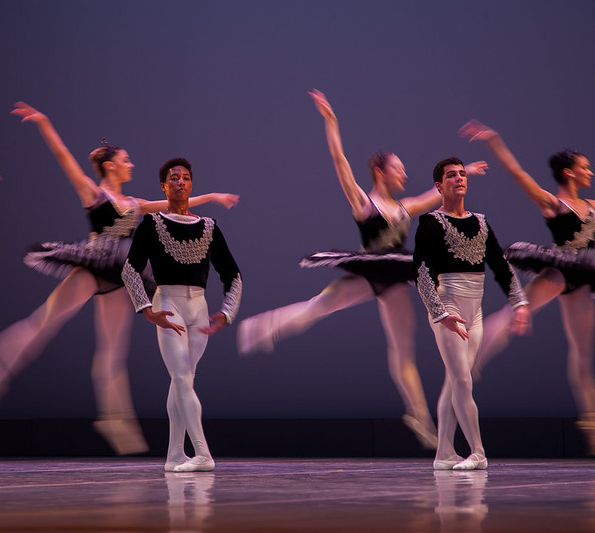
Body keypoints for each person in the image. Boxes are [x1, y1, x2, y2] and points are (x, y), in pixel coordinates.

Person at [0, 102, 239, 455]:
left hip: (119, 274)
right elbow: (63, 158)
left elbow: (173, 203)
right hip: (94, 264)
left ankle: (114, 417)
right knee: (45, 320)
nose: (131, 164)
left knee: (113, 348)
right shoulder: (93, 192)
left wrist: (212, 197)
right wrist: (44, 122)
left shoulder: (134, 203)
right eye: (126, 160)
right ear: (110, 165)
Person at [237, 90, 487, 448]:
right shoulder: (363, 202)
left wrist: (468, 173)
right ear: (380, 172)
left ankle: (418, 414)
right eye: (398, 168)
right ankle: (261, 328)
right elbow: (339, 160)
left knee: (403, 348)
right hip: (369, 273)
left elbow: (435, 196)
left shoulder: (405, 207)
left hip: (394, 279)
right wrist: (331, 121)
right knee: (318, 307)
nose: (404, 173)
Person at [459, 120, 595, 452]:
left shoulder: (594, 206)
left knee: (581, 352)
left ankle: (591, 420)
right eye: (585, 168)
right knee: (514, 313)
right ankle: (468, 365)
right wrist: (494, 140)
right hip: (560, 270)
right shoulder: (553, 204)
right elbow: (517, 172)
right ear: (569, 173)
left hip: (583, 280)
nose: (590, 173)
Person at [122, 157, 242, 472]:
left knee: (183, 381)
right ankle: (203, 454)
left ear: (191, 184)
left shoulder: (209, 226)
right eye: (174, 178)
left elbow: (233, 275)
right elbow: (130, 270)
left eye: (186, 177)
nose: (180, 182)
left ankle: (175, 454)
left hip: (198, 308)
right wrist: (147, 309)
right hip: (168, 305)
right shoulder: (152, 224)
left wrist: (227, 312)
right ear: (163, 186)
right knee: (180, 377)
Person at [414, 157, 530, 470]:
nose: (459, 179)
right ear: (439, 186)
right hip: (448, 308)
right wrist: (440, 314)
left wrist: (519, 303)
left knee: (454, 383)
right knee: (463, 382)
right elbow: (422, 272)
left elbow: (501, 266)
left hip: (474, 312)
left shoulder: (480, 221)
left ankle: (443, 453)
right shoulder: (430, 223)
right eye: (452, 175)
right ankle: (478, 452)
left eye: (463, 174)